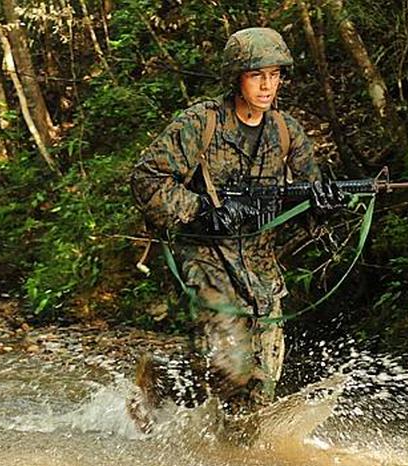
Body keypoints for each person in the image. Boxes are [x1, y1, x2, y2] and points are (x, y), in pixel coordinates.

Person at [128, 27, 340, 431]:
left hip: (261, 274)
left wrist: (325, 205)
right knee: (230, 369)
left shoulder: (286, 131)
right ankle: (162, 383)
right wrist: (202, 210)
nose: (267, 85)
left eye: (275, 74)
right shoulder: (201, 123)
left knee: (259, 398)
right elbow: (146, 179)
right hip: (205, 260)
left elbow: (306, 200)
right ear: (236, 77)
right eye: (256, 74)